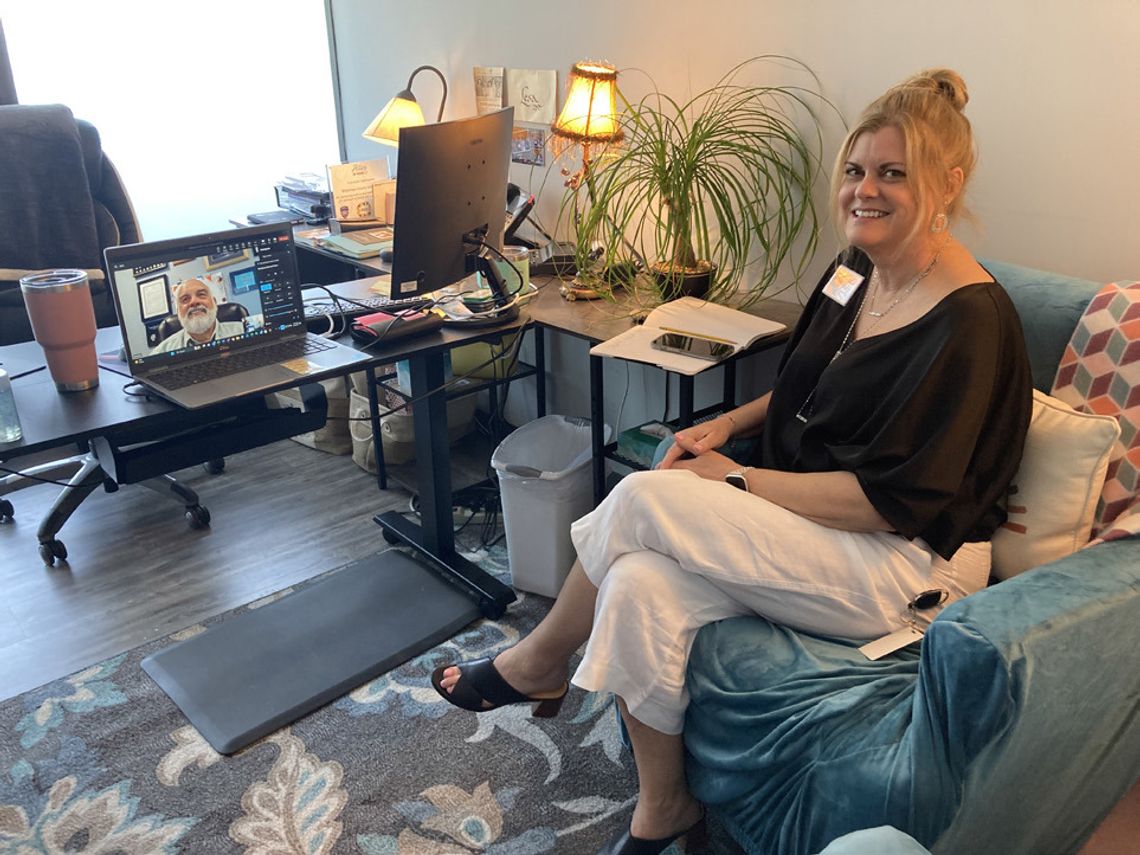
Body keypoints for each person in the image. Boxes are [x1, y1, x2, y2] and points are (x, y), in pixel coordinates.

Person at [434, 68, 1032, 855]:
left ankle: (540, 657)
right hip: (816, 525)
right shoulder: (857, 266)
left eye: (894, 173)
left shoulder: (970, 323)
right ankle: (665, 807)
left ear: (948, 182)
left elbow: (895, 502)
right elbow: (801, 381)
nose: (865, 191)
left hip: (910, 565)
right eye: (856, 171)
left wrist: (740, 479)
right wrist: (728, 427)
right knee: (640, 579)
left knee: (649, 497)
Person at [152, 278, 245, 353]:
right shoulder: (162, 351)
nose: (194, 302)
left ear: (215, 303)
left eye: (201, 295)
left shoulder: (244, 331)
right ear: (178, 311)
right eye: (185, 299)